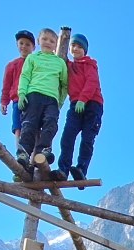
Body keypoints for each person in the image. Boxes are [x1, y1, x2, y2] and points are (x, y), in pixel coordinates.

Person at [16, 28, 69, 174]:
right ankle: (24, 153)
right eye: (45, 39)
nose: (48, 42)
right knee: (29, 124)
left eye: (52, 41)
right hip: (33, 95)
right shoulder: (32, 58)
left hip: (52, 98)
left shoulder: (60, 63)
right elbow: (25, 76)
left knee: (50, 123)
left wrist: (60, 102)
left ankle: (43, 150)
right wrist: (21, 94)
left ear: (56, 44)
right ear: (39, 41)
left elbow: (64, 84)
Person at [55, 33, 104, 183]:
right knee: (67, 136)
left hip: (93, 104)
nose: (76, 49)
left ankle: (81, 169)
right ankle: (63, 169)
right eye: (73, 46)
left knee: (87, 139)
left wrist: (83, 99)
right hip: (75, 104)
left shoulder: (90, 64)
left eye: (79, 46)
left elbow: (92, 82)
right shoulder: (67, 65)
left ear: (85, 50)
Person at [0, 30, 35, 148]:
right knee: (18, 126)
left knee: (33, 126)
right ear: (17, 45)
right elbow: (6, 85)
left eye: (27, 44)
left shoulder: (37, 63)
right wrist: (4, 102)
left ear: (33, 48)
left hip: (33, 99)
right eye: (21, 43)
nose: (24, 46)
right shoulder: (12, 65)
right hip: (17, 99)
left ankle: (33, 155)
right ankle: (19, 149)